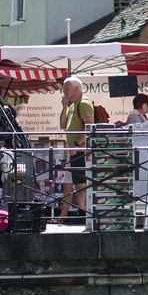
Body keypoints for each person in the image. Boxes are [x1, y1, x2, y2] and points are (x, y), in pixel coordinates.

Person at [58, 75, 94, 217]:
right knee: (77, 184)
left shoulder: (84, 103)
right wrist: (64, 107)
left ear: (77, 88)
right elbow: (62, 125)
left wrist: (76, 143)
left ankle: (84, 214)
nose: (64, 91)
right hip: (74, 150)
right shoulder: (72, 105)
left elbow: (89, 128)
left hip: (80, 150)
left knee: (80, 185)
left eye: (66, 88)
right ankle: (81, 213)